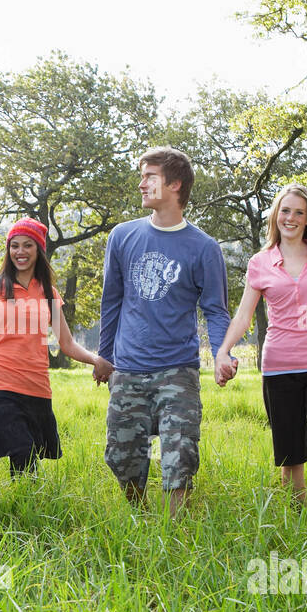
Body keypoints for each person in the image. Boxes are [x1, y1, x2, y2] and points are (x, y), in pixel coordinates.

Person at [98, 147, 231, 517]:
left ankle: (174, 533)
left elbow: (215, 310)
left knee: (179, 455)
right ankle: (140, 520)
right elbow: (112, 302)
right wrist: (104, 356)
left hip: (178, 369)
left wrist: (222, 353)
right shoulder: (122, 237)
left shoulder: (203, 248)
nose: (141, 183)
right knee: (123, 458)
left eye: (149, 176)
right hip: (129, 369)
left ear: (174, 184)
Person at [215, 182, 307, 525]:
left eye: (299, 212)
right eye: (285, 211)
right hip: (279, 367)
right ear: (275, 216)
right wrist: (223, 350)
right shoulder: (260, 263)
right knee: (291, 458)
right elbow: (243, 316)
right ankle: (297, 523)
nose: (291, 218)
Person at [0, 218, 112, 478]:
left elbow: (66, 343)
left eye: (27, 246)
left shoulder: (49, 293)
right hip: (0, 383)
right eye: (14, 246)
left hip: (37, 385)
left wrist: (96, 359)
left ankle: (26, 508)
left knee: (32, 453)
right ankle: (24, 507)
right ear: (8, 250)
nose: (20, 252)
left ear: (38, 250)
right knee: (21, 448)